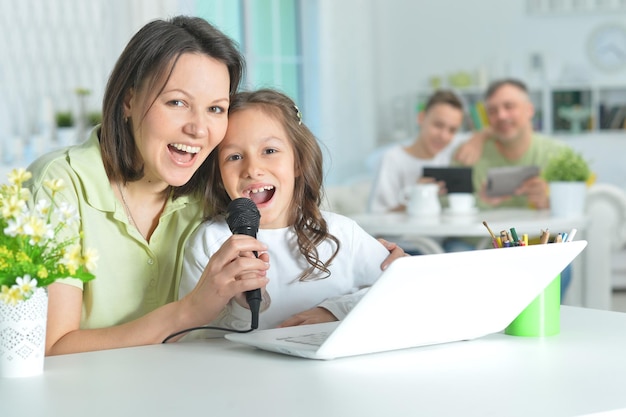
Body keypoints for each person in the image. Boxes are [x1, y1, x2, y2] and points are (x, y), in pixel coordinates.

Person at [25, 16, 405, 356]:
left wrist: (376, 263)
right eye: (177, 102)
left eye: (215, 108)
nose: (199, 129)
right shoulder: (61, 185)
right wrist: (188, 312)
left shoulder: (206, 189)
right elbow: (53, 347)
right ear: (128, 99)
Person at [178, 89, 393, 332]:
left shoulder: (344, 234)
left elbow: (402, 294)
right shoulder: (209, 243)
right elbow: (193, 337)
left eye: (269, 151)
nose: (253, 169)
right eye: (235, 156)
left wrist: (335, 311)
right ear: (218, 176)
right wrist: (242, 307)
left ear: (298, 162)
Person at [451, 78, 573, 297]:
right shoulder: (469, 153)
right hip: (479, 247)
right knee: (453, 255)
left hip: (536, 248)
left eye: (509, 107)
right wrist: (479, 203)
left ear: (529, 110)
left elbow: (578, 201)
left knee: (559, 269)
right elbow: (446, 203)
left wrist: (550, 200)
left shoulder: (557, 154)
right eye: (493, 111)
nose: (502, 116)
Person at [368, 89, 484, 214]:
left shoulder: (451, 149)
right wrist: (417, 196)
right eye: (438, 125)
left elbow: (490, 131)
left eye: (452, 130)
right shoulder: (392, 159)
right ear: (421, 118)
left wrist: (478, 140)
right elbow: (378, 216)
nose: (444, 136)